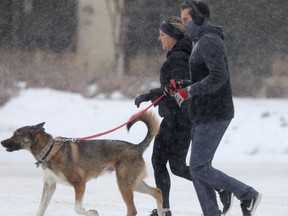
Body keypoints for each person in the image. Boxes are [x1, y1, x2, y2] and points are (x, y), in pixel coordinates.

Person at [169, 1, 262, 216]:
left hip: (215, 112)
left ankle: (247, 194)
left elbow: (219, 76)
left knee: (199, 167)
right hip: (203, 112)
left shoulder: (209, 41)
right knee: (197, 168)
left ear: (200, 18)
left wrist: (190, 91)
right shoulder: (200, 41)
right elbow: (204, 75)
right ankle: (211, 212)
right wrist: (185, 85)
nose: (183, 25)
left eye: (186, 20)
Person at [134, 16, 230, 216]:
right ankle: (215, 189)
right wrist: (149, 95)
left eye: (162, 35)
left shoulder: (178, 57)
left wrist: (172, 88)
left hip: (177, 121)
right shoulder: (183, 53)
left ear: (173, 36)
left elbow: (182, 85)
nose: (159, 39)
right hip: (180, 120)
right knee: (173, 166)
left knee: (164, 163)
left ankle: (166, 209)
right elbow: (170, 89)